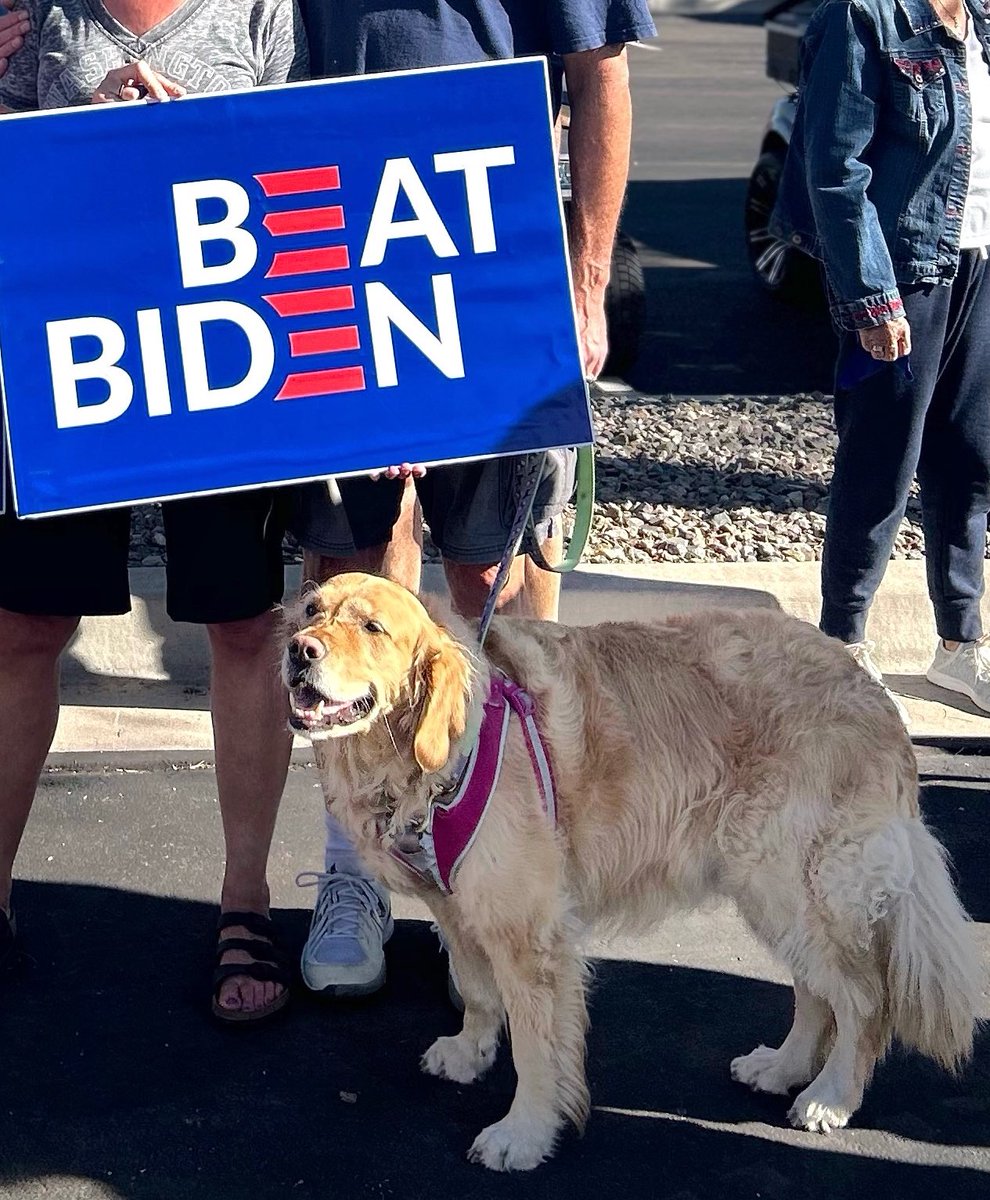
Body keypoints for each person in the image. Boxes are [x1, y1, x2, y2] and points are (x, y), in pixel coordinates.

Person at [290, 0, 656, 998]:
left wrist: (585, 281)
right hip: (323, 250)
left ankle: (531, 860)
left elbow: (600, 72)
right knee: (352, 577)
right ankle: (355, 867)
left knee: (490, 585)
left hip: (491, 257)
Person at [0, 0, 309, 1020]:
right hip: (68, 358)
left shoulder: (264, 9)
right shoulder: (36, 13)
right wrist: (77, 125)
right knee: (26, 626)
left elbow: (309, 172)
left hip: (227, 358)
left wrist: (201, 146)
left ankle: (245, 903)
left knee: (240, 622)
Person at [772, 0, 990, 725]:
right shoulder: (863, 16)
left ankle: (960, 645)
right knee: (881, 461)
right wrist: (871, 297)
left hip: (979, 264)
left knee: (969, 459)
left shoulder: (979, 19)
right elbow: (835, 167)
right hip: (904, 272)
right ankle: (843, 643)